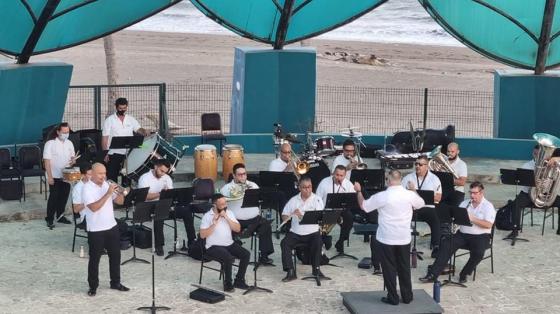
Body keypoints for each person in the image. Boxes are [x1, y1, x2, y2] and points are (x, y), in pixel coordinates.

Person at [356, 170, 425, 305]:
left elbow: (364, 206)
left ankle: (393, 297)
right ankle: (407, 296)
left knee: (389, 268)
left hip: (386, 237)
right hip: (404, 237)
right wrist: (414, 190)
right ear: (401, 180)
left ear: (388, 180)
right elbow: (421, 203)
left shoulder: (382, 196)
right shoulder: (409, 194)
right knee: (404, 267)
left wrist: (358, 191)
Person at [419, 181, 495, 284]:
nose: (472, 195)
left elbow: (489, 225)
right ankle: (433, 274)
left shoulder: (488, 206)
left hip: (481, 236)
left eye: (475, 193)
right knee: (446, 243)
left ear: (481, 193)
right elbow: (458, 218)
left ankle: (465, 273)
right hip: (463, 234)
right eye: (471, 192)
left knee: (478, 252)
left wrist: (472, 219)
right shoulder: (465, 203)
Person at [81, 163, 129, 297]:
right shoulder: (87, 188)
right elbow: (94, 207)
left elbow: (119, 202)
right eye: (100, 174)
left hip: (111, 226)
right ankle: (93, 286)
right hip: (96, 229)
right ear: (93, 174)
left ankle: (115, 282)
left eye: (105, 173)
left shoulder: (107, 185)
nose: (104, 176)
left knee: (115, 256)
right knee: (95, 259)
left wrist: (120, 192)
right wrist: (108, 194)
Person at [221, 163, 274, 264]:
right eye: (240, 174)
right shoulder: (227, 188)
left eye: (244, 174)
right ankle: (233, 250)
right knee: (226, 226)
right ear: (234, 175)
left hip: (254, 219)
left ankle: (264, 256)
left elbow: (261, 200)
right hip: (237, 221)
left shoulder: (253, 185)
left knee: (266, 224)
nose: (243, 176)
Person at [200, 193, 251, 292]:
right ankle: (228, 284)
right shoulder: (207, 216)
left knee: (246, 254)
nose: (225, 206)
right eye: (222, 204)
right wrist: (214, 224)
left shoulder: (230, 213)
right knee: (228, 257)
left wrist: (226, 218)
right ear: (214, 205)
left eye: (225, 203)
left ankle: (239, 280)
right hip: (213, 246)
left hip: (229, 243)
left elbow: (237, 229)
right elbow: (202, 235)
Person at [280, 176, 325, 281]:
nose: (308, 189)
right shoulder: (293, 200)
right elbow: (284, 215)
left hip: (312, 232)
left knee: (318, 242)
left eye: (309, 187)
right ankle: (290, 271)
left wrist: (301, 216)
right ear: (299, 188)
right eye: (304, 187)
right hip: (296, 232)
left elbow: (318, 217)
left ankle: (316, 269)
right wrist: (288, 216)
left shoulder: (317, 199)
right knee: (284, 243)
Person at [402, 155, 443, 257]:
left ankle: (436, 246)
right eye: (416, 164)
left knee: (435, 219)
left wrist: (414, 192)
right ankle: (401, 245)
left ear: (426, 166)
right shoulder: (408, 178)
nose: (417, 166)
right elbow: (400, 194)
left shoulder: (434, 179)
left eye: (420, 164)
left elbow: (438, 198)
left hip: (427, 208)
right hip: (411, 208)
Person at [102, 97, 148, 184]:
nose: (122, 110)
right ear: (116, 107)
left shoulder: (130, 119)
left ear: (127, 107)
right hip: (114, 153)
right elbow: (105, 137)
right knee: (112, 176)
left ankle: (126, 194)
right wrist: (105, 153)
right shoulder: (109, 120)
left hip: (128, 153)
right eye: (120, 108)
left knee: (127, 177)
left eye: (124, 108)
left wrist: (144, 131)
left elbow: (138, 129)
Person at [315, 165, 355, 253]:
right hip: (327, 211)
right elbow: (317, 199)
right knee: (322, 233)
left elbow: (352, 199)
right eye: (337, 175)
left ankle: (340, 242)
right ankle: (326, 238)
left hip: (341, 210)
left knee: (349, 218)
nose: (339, 178)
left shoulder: (348, 184)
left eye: (341, 176)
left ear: (345, 176)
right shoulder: (324, 183)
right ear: (333, 174)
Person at [43, 122, 77, 228]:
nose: (66, 134)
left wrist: (73, 161)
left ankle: (60, 215)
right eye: (64, 132)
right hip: (54, 174)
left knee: (64, 196)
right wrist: (49, 176)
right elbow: (46, 161)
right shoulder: (50, 143)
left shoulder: (69, 143)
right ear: (58, 132)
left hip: (66, 175)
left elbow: (72, 160)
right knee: (54, 196)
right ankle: (49, 218)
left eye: (67, 132)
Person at [137, 159, 174, 256]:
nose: (163, 174)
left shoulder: (167, 178)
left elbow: (171, 194)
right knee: (159, 214)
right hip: (147, 207)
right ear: (155, 167)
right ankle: (159, 245)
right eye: (161, 171)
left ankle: (192, 241)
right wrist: (160, 193)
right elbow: (144, 197)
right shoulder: (144, 178)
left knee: (185, 211)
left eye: (165, 172)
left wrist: (168, 194)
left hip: (164, 205)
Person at [502, 145, 538, 239]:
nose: (536, 155)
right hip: (527, 194)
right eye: (535, 153)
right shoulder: (527, 165)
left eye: (539, 153)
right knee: (515, 204)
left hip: (544, 195)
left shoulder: (549, 166)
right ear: (532, 153)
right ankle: (515, 230)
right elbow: (522, 181)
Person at [445, 142, 468, 206]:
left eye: (452, 152)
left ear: (458, 152)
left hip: (456, 192)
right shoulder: (442, 161)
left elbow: (462, 182)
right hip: (444, 192)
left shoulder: (462, 164)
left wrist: (445, 180)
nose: (450, 154)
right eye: (448, 151)